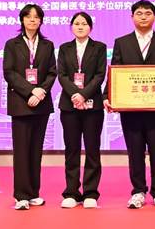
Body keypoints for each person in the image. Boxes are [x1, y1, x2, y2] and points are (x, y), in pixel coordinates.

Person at [103, 0, 155, 209]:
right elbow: (115, 71)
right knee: (134, 151)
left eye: (147, 13)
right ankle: (138, 191)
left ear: (154, 16)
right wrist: (107, 95)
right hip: (131, 108)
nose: (143, 16)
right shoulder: (122, 42)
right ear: (132, 17)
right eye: (139, 13)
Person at [2, 4, 57, 210]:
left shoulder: (48, 45)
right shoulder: (12, 44)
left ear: (41, 21)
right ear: (22, 20)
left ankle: (34, 193)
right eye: (28, 16)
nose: (32, 20)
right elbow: (9, 72)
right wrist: (30, 91)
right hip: (21, 103)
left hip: (41, 103)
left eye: (36, 17)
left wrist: (41, 91)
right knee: (22, 150)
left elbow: (52, 72)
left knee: (36, 150)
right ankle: (21, 195)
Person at [57, 12, 107, 209]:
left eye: (84, 24)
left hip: (92, 105)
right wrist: (75, 95)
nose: (80, 27)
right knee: (72, 149)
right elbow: (62, 75)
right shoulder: (64, 48)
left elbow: (100, 75)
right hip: (69, 106)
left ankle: (90, 192)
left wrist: (84, 94)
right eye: (76, 23)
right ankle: (71, 192)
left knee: (92, 149)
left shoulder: (99, 47)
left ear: (90, 27)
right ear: (71, 27)